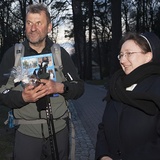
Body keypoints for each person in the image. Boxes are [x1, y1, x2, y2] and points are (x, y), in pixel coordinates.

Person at [0, 3, 84, 160]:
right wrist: (22, 98)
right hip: (26, 133)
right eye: (29, 23)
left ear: (49, 27)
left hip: (58, 131)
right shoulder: (13, 54)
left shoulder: (60, 54)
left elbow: (79, 87)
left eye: (39, 23)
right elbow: (2, 92)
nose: (33, 28)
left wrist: (60, 87)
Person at [95, 31, 160, 160]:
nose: (123, 60)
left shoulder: (157, 86)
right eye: (121, 55)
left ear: (148, 56)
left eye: (129, 53)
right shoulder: (116, 87)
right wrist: (104, 155)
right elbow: (103, 127)